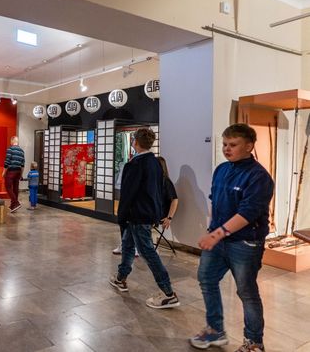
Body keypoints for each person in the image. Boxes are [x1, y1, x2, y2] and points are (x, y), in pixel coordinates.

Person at [190, 124, 274, 352]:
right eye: (225, 144)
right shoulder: (221, 169)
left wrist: (217, 234)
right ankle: (215, 330)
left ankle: (254, 342)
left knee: (246, 292)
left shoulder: (259, 177)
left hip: (245, 243)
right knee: (206, 279)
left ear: (249, 146)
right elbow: (215, 200)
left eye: (233, 145)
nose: (227, 149)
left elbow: (248, 213)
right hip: (218, 240)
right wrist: (212, 229)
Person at [109, 128, 180, 309]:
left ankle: (168, 293)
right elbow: (157, 191)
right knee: (127, 246)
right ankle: (120, 278)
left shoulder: (134, 164)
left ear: (135, 142)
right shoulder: (155, 163)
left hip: (137, 214)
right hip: (147, 213)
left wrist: (121, 215)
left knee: (147, 252)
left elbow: (128, 194)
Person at [3, 136, 25, 212]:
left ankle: (16, 203)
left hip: (11, 171)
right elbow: (22, 165)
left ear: (12, 141)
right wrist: (21, 174)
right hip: (18, 171)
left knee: (8, 187)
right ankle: (13, 206)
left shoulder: (10, 149)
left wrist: (4, 172)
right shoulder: (22, 151)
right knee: (15, 188)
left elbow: (7, 162)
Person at [157, 156, 179, 230]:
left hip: (159, 214)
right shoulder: (155, 181)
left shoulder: (166, 181)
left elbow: (174, 199)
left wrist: (169, 218)